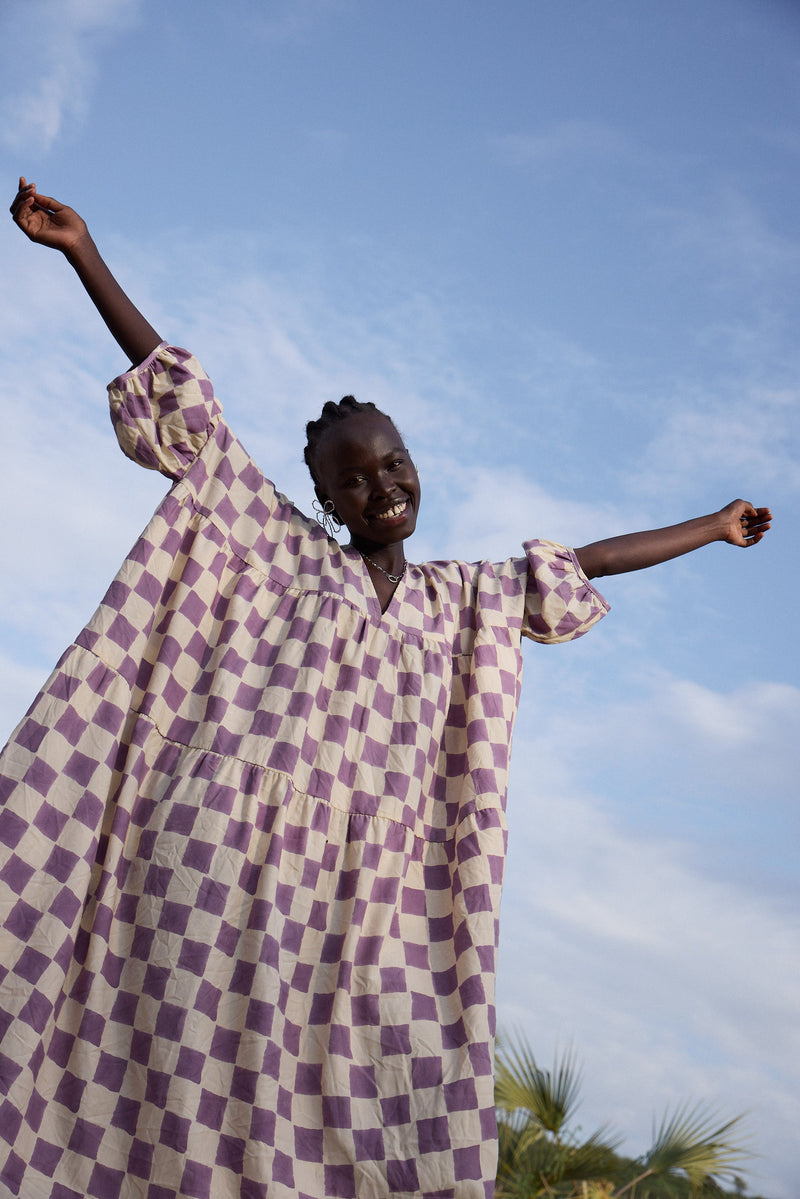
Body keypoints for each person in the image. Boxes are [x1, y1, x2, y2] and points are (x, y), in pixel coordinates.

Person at [1, 178, 771, 1199]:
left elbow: (582, 563)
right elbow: (181, 403)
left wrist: (709, 525)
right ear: (322, 494)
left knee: (347, 1107)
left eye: (393, 461)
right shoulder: (270, 539)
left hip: (360, 899)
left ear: (416, 463)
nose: (381, 484)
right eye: (353, 476)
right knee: (168, 1075)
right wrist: (83, 251)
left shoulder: (462, 601)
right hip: (217, 851)